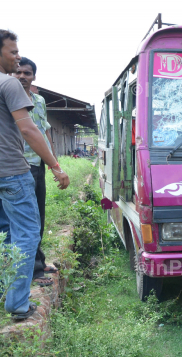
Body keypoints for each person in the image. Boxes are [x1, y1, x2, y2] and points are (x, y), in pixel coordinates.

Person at [0, 29, 69, 320]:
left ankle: (8, 290)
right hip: (13, 171)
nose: (17, 57)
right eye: (13, 51)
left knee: (6, 233)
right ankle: (17, 303)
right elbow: (29, 129)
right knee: (27, 233)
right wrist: (56, 166)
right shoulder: (9, 84)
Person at [14, 57, 59, 287]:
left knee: (39, 216)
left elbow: (44, 133)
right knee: (27, 221)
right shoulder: (9, 97)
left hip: (37, 165)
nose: (22, 76)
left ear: (33, 77)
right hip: (18, 167)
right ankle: (33, 272)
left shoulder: (39, 101)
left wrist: (54, 164)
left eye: (27, 73)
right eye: (18, 72)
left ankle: (39, 262)